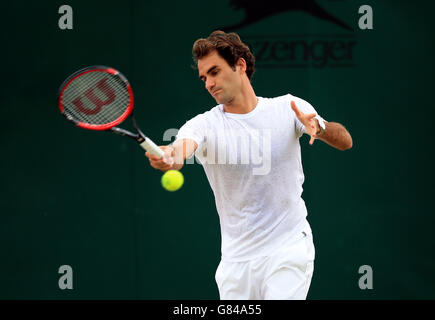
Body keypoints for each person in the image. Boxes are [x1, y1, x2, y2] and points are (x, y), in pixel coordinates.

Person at [145, 30, 353, 300]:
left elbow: (345, 141)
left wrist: (320, 127)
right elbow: (180, 149)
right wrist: (171, 155)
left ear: (240, 65)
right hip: (235, 263)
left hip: (288, 249)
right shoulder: (202, 125)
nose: (208, 83)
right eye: (204, 77)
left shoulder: (288, 108)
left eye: (215, 71)